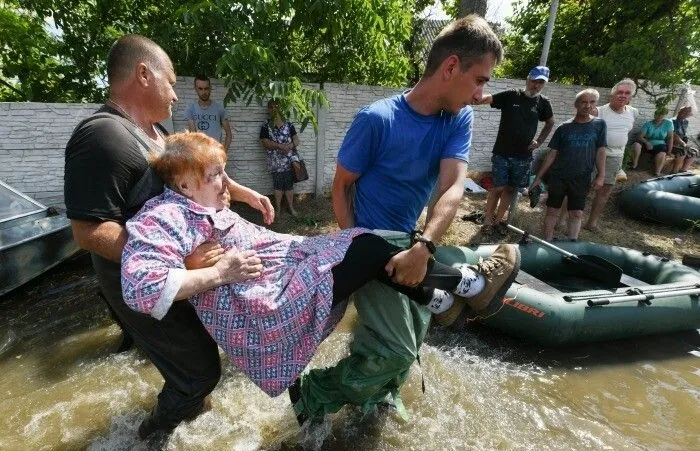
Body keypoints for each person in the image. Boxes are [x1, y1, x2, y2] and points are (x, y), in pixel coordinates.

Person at [122, 132, 491, 399]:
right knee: (367, 249)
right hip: (266, 309)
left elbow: (268, 241)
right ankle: (460, 285)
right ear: (184, 184)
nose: (226, 185)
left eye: (223, 172)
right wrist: (217, 273)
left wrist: (297, 237)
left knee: (366, 245)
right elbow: (140, 289)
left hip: (284, 272)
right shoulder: (165, 217)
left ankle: (438, 297)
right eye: (216, 175)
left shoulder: (202, 203)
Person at [292, 15, 521, 426]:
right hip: (373, 242)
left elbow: (453, 187)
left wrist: (424, 246)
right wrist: (358, 247)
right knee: (396, 348)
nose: (481, 93)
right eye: (480, 80)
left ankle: (379, 396)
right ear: (451, 67)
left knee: (414, 336)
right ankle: (315, 392)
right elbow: (341, 188)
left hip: (413, 242)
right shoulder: (376, 119)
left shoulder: (458, 118)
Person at [64, 34, 274, 444]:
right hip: (142, 281)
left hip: (183, 270)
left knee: (198, 360)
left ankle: (189, 415)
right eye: (172, 82)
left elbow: (194, 169)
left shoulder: (155, 130)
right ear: (144, 74)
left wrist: (244, 193)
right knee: (200, 371)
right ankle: (149, 442)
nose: (176, 95)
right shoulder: (102, 137)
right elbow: (88, 231)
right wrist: (179, 262)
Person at [475, 66, 555, 233]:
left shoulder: (543, 103)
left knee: (511, 189)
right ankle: (487, 221)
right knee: (497, 188)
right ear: (527, 79)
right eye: (534, 81)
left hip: (523, 156)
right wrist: (471, 96)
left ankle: (498, 221)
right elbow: (488, 99)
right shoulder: (512, 95)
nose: (536, 85)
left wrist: (539, 141)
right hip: (502, 152)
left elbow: (550, 122)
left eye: (541, 82)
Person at [530, 89, 606, 241]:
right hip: (559, 176)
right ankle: (547, 241)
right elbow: (552, 154)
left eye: (592, 102)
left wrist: (601, 175)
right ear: (576, 104)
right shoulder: (564, 127)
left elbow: (601, 150)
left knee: (576, 213)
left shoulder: (599, 125)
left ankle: (572, 243)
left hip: (582, 177)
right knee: (552, 210)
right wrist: (538, 178)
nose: (588, 105)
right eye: (584, 102)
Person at [583, 78, 639, 232]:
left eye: (627, 93)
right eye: (620, 92)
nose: (623, 95)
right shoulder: (598, 111)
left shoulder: (633, 113)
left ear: (631, 97)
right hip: (593, 155)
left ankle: (591, 223)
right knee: (580, 187)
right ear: (612, 95)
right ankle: (564, 219)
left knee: (605, 191)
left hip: (616, 157)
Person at [260, 99, 301, 218]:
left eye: (277, 107)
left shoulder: (289, 124)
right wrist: (280, 146)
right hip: (275, 162)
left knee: (289, 186)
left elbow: (296, 140)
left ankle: (291, 208)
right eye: (271, 107)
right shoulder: (266, 125)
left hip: (289, 162)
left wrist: (291, 145)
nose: (274, 110)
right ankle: (277, 209)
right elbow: (265, 142)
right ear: (268, 109)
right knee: (278, 187)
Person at [186, 75, 232, 154]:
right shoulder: (191, 109)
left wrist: (223, 153)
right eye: (200, 89)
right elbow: (192, 135)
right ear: (195, 89)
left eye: (206, 88)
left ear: (210, 88)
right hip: (199, 155)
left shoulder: (219, 108)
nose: (203, 92)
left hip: (215, 154)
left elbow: (229, 134)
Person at [631, 106, 674, 176]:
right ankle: (634, 165)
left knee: (662, 154)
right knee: (636, 145)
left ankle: (657, 172)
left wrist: (669, 150)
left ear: (664, 115)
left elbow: (670, 137)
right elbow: (640, 136)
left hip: (660, 144)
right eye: (657, 114)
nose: (659, 116)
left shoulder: (668, 124)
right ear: (654, 114)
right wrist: (647, 142)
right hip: (648, 143)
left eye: (661, 114)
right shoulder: (648, 124)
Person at [671, 106, 699, 173]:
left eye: (688, 113)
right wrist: (683, 144)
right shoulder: (672, 121)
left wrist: (685, 143)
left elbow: (683, 134)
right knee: (682, 152)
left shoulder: (685, 121)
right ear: (680, 111)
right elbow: (674, 136)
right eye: (685, 112)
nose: (686, 115)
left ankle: (683, 170)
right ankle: (674, 171)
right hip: (671, 143)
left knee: (694, 152)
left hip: (681, 144)